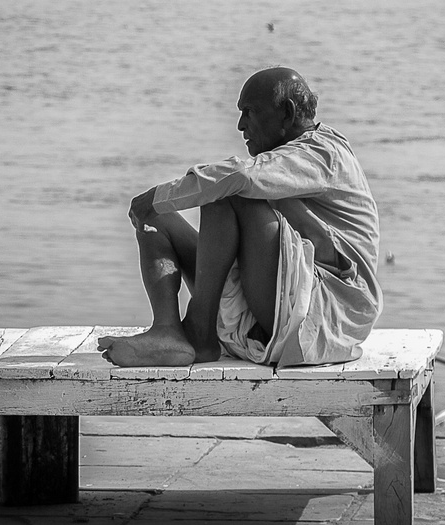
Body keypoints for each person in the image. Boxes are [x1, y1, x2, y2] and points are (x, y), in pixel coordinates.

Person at [99, 67, 382, 368]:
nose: (240, 125)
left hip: (324, 314)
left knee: (225, 190)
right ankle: (167, 331)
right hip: (281, 302)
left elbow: (237, 176)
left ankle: (199, 332)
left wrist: (156, 195)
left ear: (286, 114)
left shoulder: (323, 153)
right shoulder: (288, 159)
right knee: (156, 219)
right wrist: (155, 206)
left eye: (249, 112)